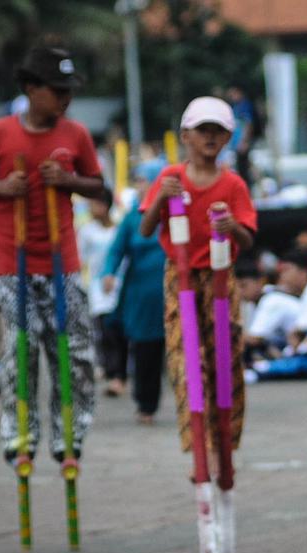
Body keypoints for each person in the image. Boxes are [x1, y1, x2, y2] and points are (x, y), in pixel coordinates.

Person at [0, 47, 104, 464]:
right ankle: (19, 435)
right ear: (30, 89)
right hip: (12, 260)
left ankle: (69, 436)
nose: (65, 99)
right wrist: (2, 188)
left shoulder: (75, 134)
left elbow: (98, 186)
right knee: (20, 352)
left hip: (63, 258)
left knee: (74, 352)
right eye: (57, 90)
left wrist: (68, 179)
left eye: (69, 91)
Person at [141, 95, 256, 480]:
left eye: (217, 132)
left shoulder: (233, 183)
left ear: (227, 138)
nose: (209, 138)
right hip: (181, 277)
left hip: (221, 280)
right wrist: (162, 198)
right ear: (186, 135)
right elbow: (145, 229)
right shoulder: (170, 176)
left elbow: (249, 238)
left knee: (226, 361)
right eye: (202, 130)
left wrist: (231, 229)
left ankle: (226, 447)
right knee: (186, 362)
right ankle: (200, 451)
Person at [101, 166, 166, 424]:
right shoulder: (131, 219)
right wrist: (109, 274)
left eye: (146, 180)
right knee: (145, 349)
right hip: (140, 295)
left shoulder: (174, 212)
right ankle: (146, 404)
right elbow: (116, 251)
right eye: (138, 180)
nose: (141, 185)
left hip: (172, 290)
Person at [77, 190, 127, 397]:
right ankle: (110, 369)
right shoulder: (87, 232)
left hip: (119, 286)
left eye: (94, 204)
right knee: (104, 329)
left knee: (119, 331)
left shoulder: (119, 229)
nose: (90, 208)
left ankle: (118, 372)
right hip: (98, 288)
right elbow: (81, 260)